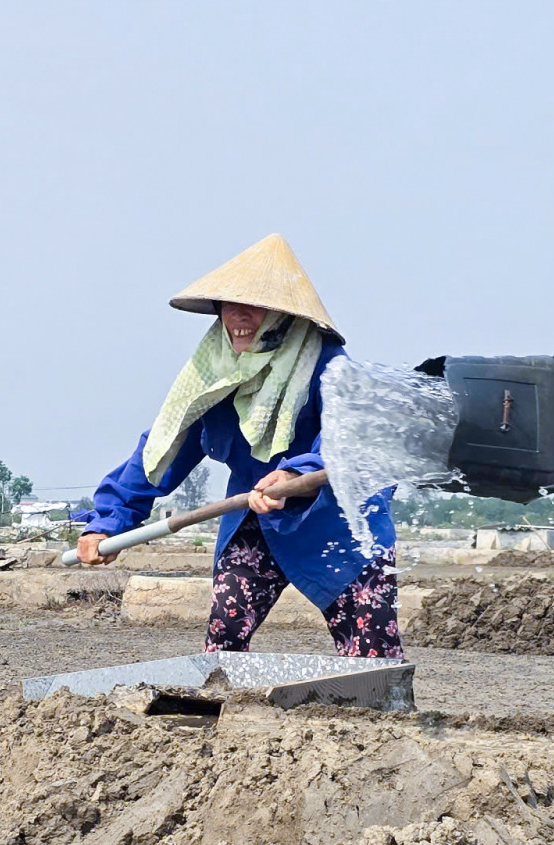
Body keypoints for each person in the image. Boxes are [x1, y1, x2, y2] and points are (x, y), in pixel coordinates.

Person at [75, 234, 400, 657]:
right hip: (255, 511)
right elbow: (161, 449)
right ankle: (222, 711)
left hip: (341, 521)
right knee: (226, 629)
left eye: (255, 306)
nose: (239, 317)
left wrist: (295, 475)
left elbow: (347, 439)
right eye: (229, 305)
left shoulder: (329, 366)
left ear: (283, 316)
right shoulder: (212, 373)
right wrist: (109, 519)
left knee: (370, 647)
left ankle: (379, 722)